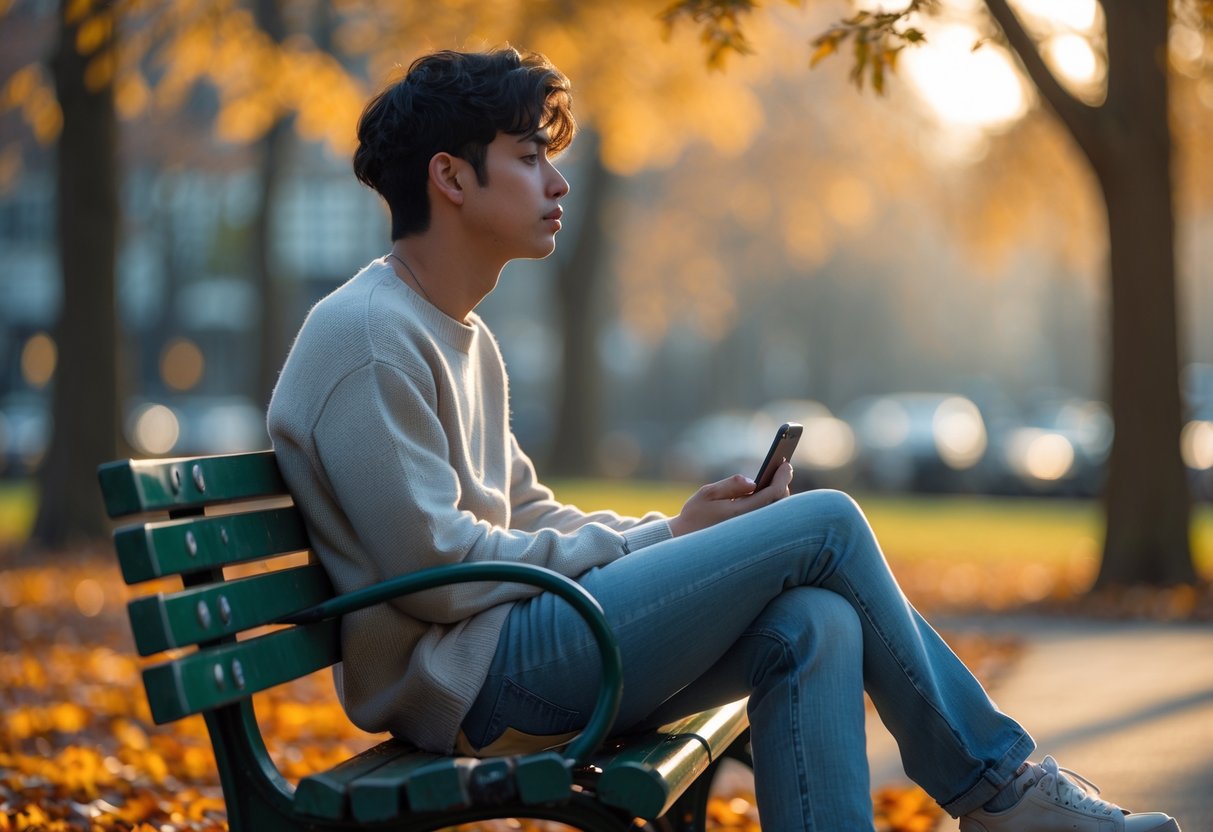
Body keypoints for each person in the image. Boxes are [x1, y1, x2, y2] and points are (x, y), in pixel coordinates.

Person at [266, 47, 1181, 832]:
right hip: (474, 685)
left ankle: (992, 792)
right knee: (824, 523)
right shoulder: (370, 335)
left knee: (813, 622)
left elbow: (526, 511)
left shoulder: (459, 331)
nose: (558, 183)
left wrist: (671, 530)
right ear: (451, 177)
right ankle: (996, 790)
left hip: (525, 646)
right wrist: (663, 541)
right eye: (528, 157)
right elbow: (438, 568)